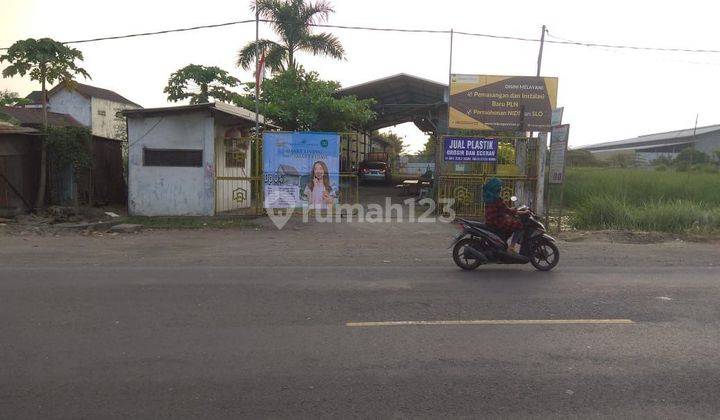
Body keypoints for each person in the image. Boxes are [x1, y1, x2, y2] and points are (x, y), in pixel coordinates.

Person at [482, 178, 529, 253]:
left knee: (510, 221)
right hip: (497, 221)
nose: (501, 189)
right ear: (496, 189)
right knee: (519, 225)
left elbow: (503, 209)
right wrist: (524, 212)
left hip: (490, 220)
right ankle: (511, 247)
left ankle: (502, 242)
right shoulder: (497, 199)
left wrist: (511, 210)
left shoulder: (489, 198)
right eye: (499, 188)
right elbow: (508, 211)